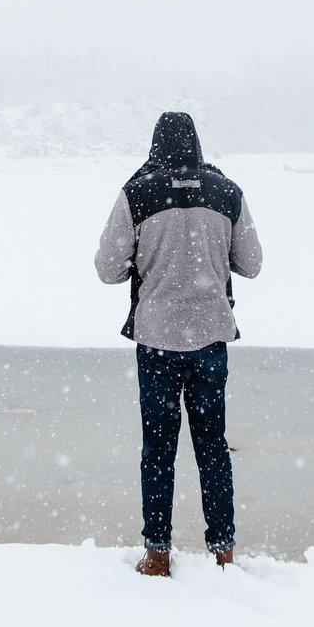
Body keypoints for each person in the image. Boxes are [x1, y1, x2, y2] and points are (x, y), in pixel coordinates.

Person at [94, 112, 262, 576]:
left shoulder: (138, 193)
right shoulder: (227, 193)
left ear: (155, 145)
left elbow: (108, 268)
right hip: (210, 338)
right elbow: (252, 264)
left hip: (157, 341)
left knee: (158, 448)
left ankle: (158, 553)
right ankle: (223, 552)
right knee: (212, 446)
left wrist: (149, 261)